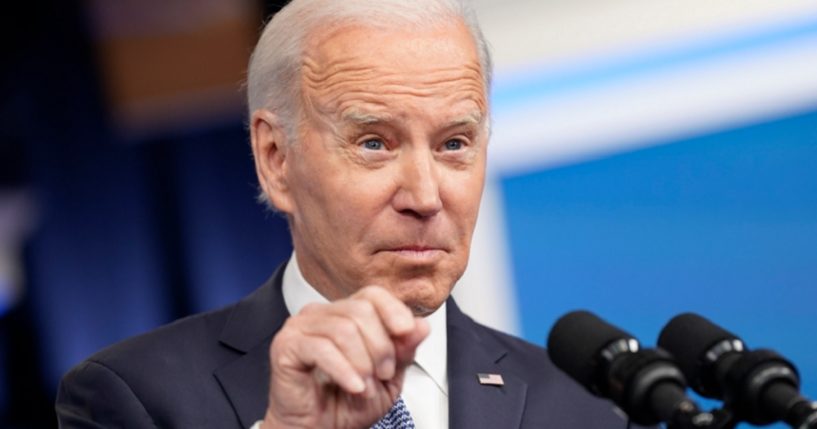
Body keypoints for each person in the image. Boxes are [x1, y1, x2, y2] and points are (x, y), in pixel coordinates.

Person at [56, 1, 649, 428]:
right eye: (374, 143)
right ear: (275, 158)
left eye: (454, 144)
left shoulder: (582, 406)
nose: (424, 195)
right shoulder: (134, 397)